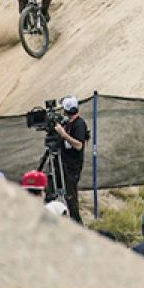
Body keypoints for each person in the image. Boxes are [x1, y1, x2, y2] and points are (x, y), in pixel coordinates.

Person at [54, 95, 88, 223]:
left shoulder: (79, 124)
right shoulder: (67, 122)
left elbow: (79, 145)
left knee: (71, 197)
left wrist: (64, 134)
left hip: (72, 167)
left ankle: (77, 224)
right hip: (63, 163)